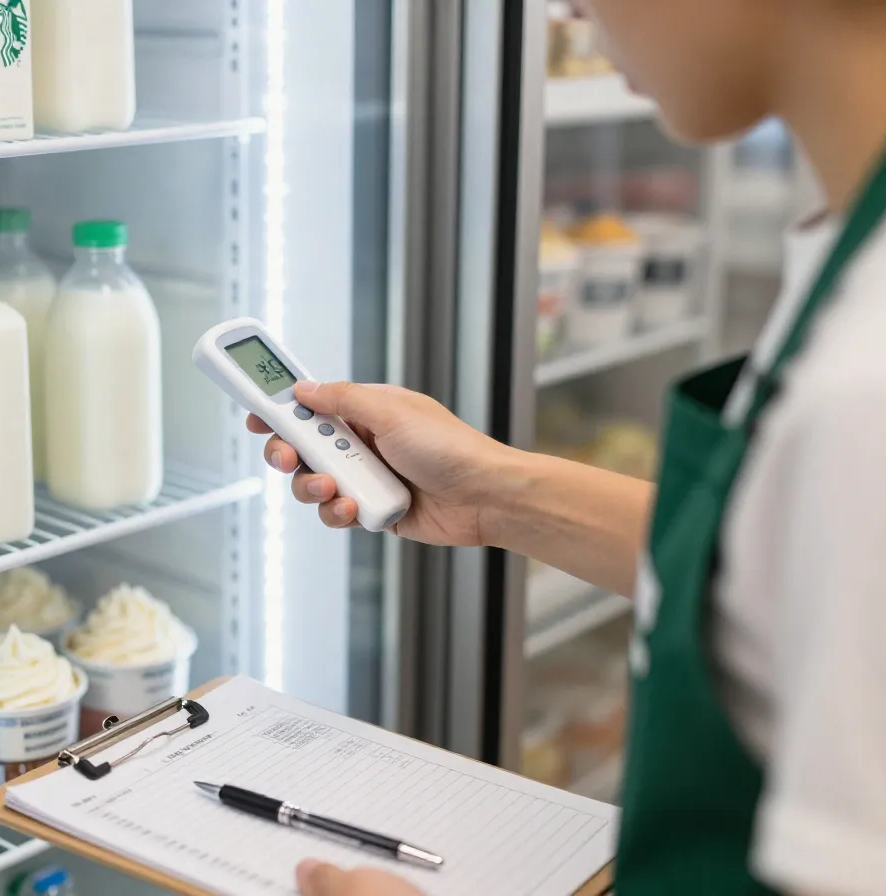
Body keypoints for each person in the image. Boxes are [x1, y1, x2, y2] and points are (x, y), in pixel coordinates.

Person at [255, 1, 886, 893]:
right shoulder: (848, 259)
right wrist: (494, 493)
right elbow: (793, 568)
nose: (576, 9)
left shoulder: (866, 381)